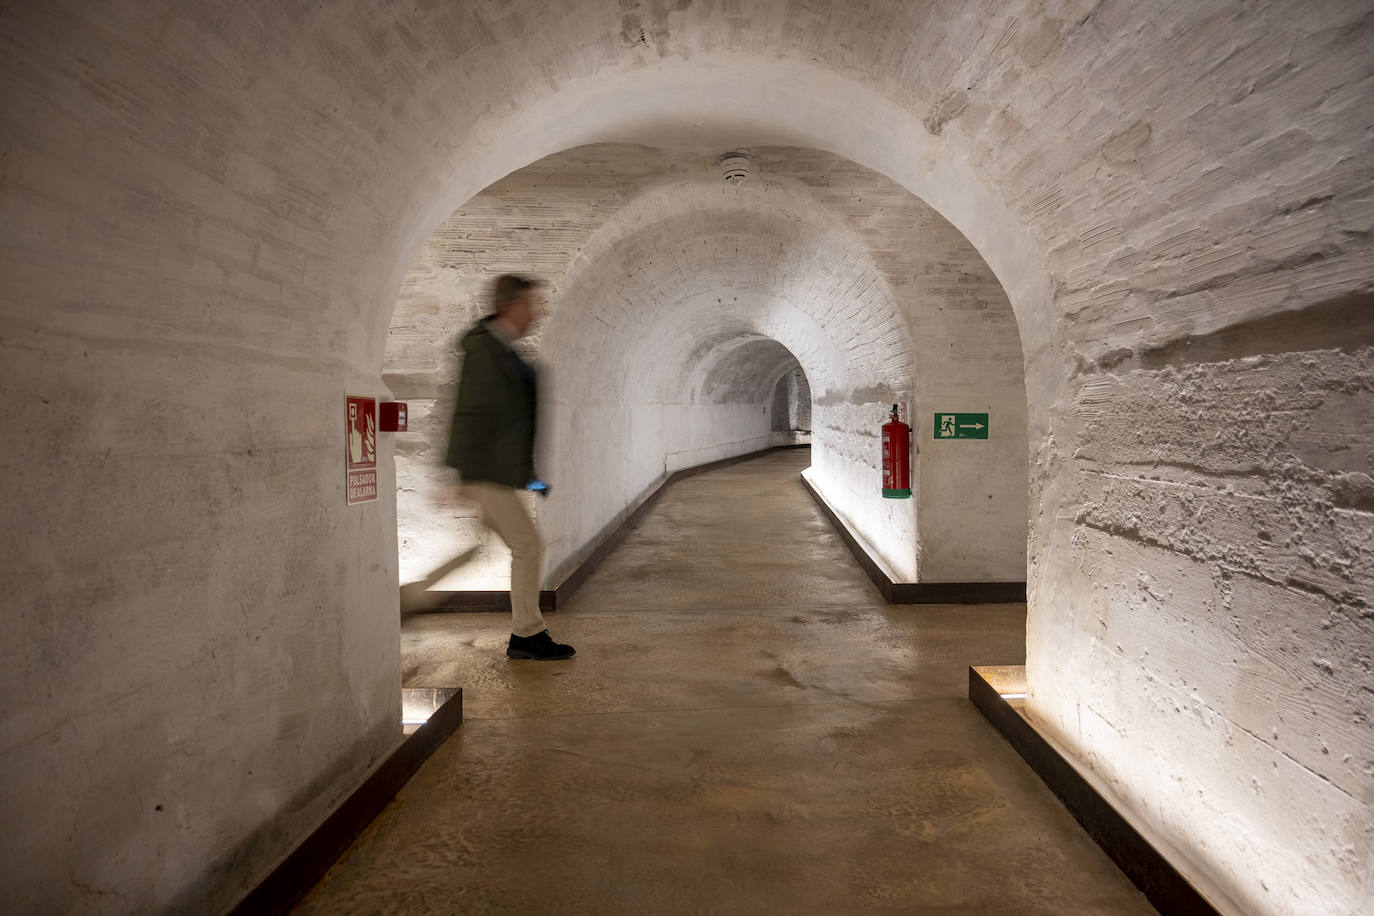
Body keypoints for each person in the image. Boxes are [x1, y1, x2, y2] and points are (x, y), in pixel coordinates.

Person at [445, 275, 575, 661]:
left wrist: (528, 476)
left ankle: (418, 596)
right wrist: (462, 474)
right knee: (528, 547)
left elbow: (511, 422)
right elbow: (469, 413)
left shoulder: (503, 352)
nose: (537, 312)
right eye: (531, 304)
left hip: (498, 474)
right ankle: (527, 634)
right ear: (510, 306)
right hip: (486, 476)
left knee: (489, 545)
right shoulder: (484, 353)